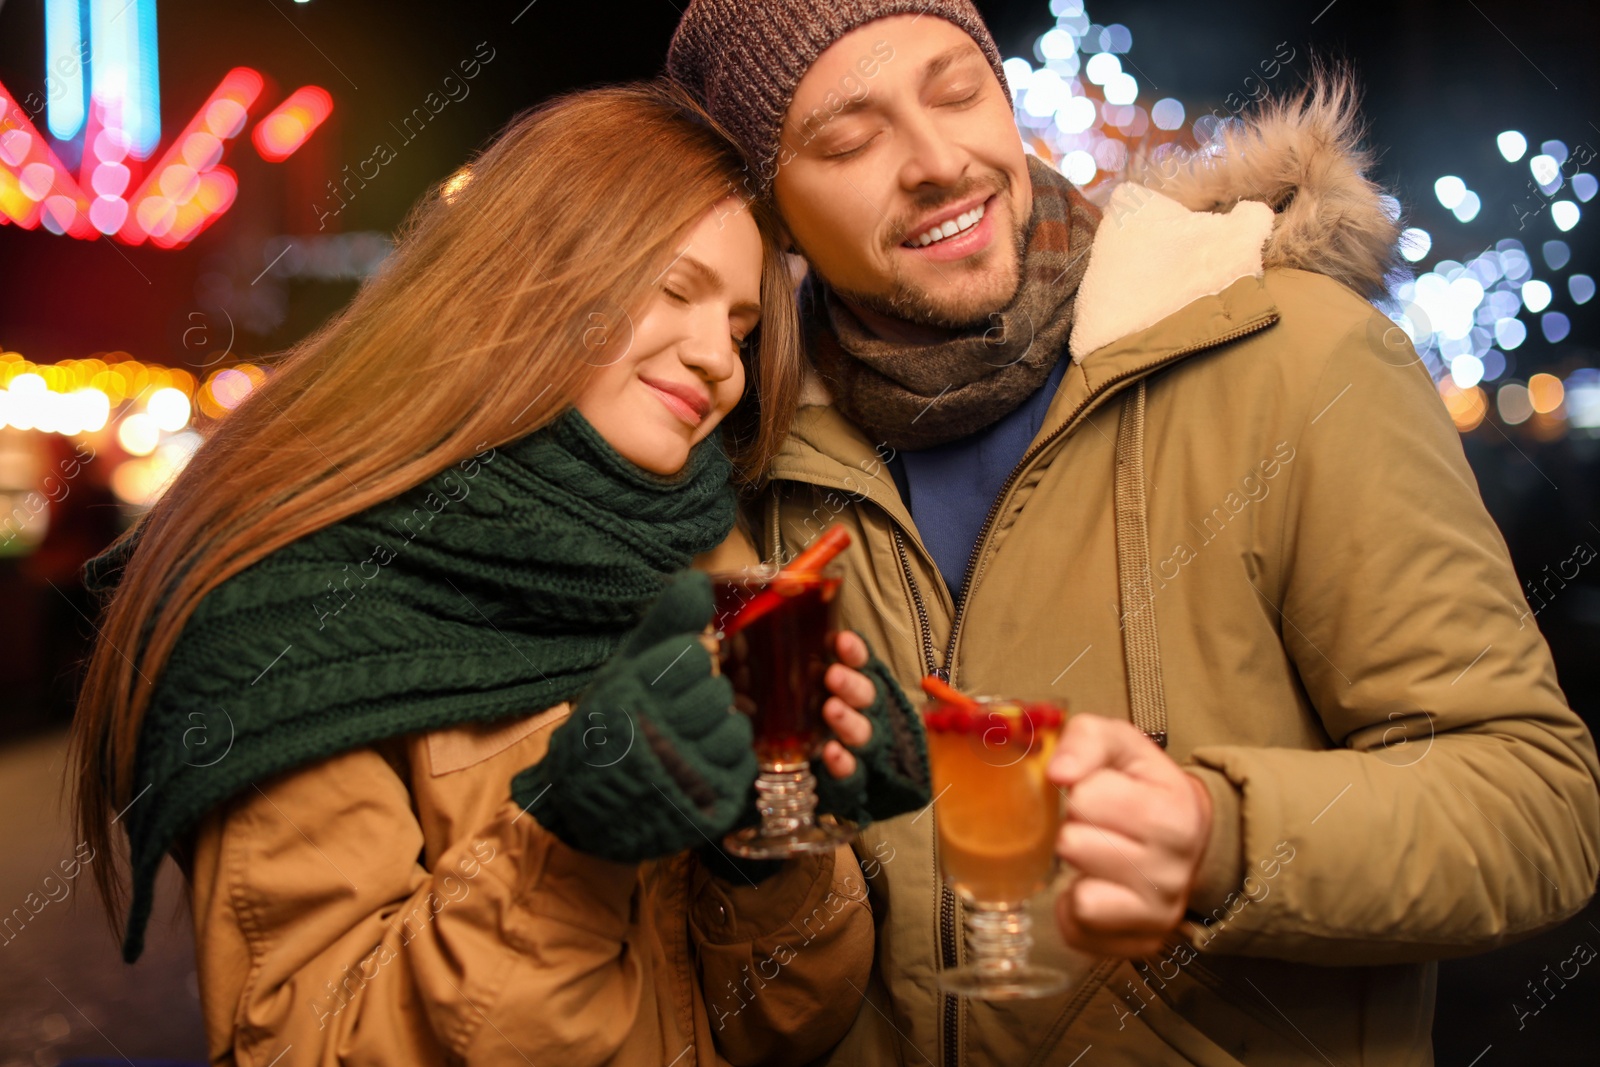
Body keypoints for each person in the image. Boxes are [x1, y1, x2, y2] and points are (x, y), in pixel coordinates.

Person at [667, 3, 1600, 1064]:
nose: (937, 161)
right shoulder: (738, 460)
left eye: (958, 89)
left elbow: (1537, 806)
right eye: (847, 138)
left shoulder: (1298, 358)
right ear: (771, 213)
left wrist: (1223, 834)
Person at [69, 82, 929, 1065]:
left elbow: (774, 1030)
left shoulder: (706, 558)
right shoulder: (300, 603)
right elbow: (310, 1044)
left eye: (740, 328)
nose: (719, 362)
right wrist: (568, 843)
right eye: (677, 289)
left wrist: (772, 846)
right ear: (535, 271)